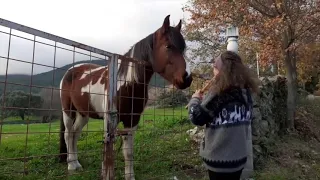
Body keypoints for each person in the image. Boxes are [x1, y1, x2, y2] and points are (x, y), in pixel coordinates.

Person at [187, 51, 260, 180]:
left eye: (215, 66)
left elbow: (196, 117)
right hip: (238, 159)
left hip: (219, 161)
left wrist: (195, 99)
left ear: (224, 70)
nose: (213, 70)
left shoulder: (219, 93)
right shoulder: (245, 93)